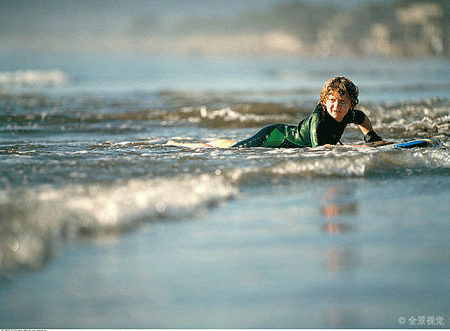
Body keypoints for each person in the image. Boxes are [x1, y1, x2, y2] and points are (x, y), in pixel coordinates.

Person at [167, 76, 382, 149]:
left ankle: (216, 141)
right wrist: (355, 149)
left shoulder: (350, 114)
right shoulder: (318, 121)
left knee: (233, 144)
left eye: (343, 102)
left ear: (350, 105)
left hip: (281, 135)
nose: (337, 106)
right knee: (234, 149)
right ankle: (184, 145)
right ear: (324, 102)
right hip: (274, 137)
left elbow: (363, 119)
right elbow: (321, 150)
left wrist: (371, 137)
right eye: (332, 101)